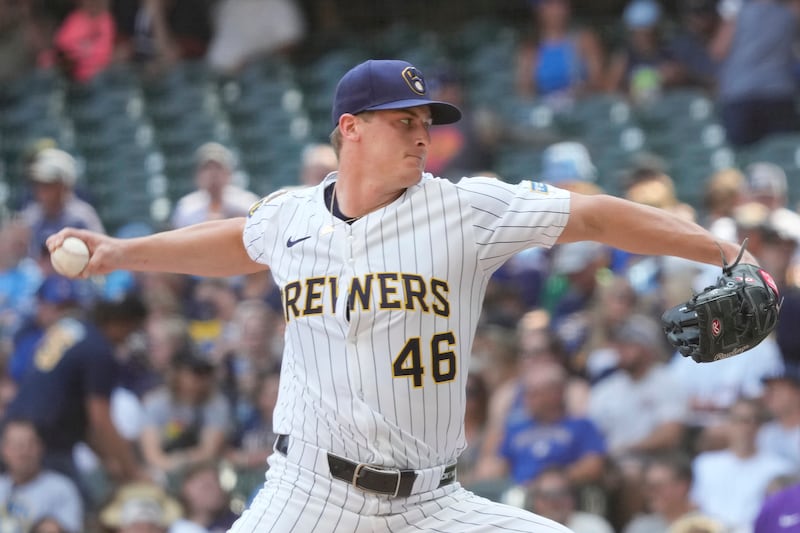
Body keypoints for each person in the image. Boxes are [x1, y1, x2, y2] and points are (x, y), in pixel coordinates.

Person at [49, 58, 763, 532]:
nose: (424, 136)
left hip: (433, 500)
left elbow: (599, 215)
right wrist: (121, 253)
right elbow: (240, 239)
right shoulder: (291, 216)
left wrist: (726, 251)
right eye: (404, 121)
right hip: (310, 494)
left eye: (426, 122)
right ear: (350, 130)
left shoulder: (467, 208)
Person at [3, 294, 146, 494]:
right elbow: (101, 421)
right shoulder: (99, 351)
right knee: (76, 507)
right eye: (132, 328)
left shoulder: (70, 326)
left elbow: (80, 418)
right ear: (123, 322)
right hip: (43, 444)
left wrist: (108, 459)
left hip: (13, 430)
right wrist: (133, 471)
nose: (128, 336)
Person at [690, 397, 796, 530]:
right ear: (727, 423)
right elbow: (696, 505)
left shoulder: (781, 468)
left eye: (752, 421)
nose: (745, 428)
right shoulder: (704, 463)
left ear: (760, 426)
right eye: (738, 420)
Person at [17, 147, 105, 260]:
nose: (42, 191)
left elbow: (99, 256)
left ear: (64, 185)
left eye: (49, 184)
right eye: (38, 184)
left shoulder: (83, 217)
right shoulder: (29, 218)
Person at [0, 419, 83, 532]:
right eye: (16, 445)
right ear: (4, 450)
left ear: (40, 447)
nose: (23, 452)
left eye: (29, 444)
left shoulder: (60, 489)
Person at [170, 143, 260, 229]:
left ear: (229, 173)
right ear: (197, 175)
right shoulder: (186, 208)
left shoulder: (247, 203)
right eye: (207, 168)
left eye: (219, 167)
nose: (213, 173)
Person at [526, 467, 614, 533]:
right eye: (546, 495)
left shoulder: (595, 525)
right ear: (535, 501)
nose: (554, 502)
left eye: (561, 494)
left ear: (572, 498)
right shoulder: (523, 528)